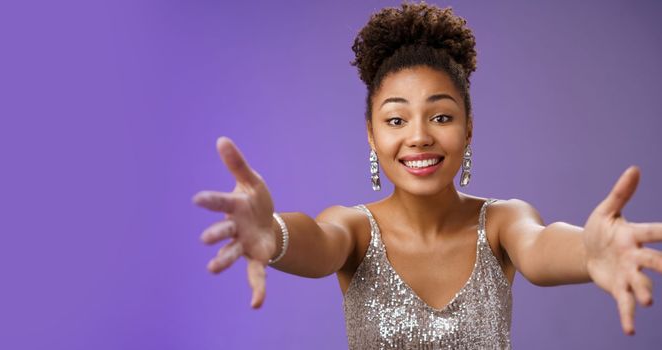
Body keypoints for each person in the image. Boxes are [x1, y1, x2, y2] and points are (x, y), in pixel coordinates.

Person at [192, 2, 662, 349]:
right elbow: (316, 240)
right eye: (396, 120)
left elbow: (539, 249)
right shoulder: (354, 230)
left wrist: (589, 251)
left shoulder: (502, 222)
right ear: (372, 136)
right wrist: (269, 233)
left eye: (440, 117)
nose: (418, 137)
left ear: (468, 128)